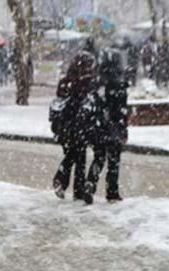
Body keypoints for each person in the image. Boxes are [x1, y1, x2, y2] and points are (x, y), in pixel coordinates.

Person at [50, 51, 103, 200]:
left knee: (72, 154)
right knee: (78, 157)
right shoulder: (86, 83)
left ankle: (62, 181)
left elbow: (60, 99)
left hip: (63, 127)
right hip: (80, 126)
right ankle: (75, 189)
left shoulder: (65, 81)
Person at [84, 48, 128, 204]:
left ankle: (90, 182)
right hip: (113, 128)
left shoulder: (97, 82)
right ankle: (112, 191)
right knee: (114, 161)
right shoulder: (119, 84)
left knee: (99, 158)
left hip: (98, 127)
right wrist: (123, 131)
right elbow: (122, 111)